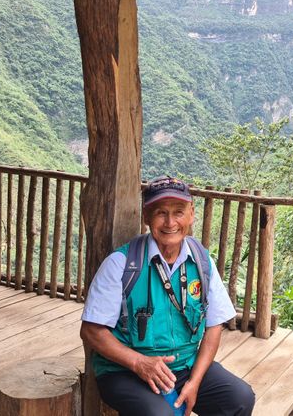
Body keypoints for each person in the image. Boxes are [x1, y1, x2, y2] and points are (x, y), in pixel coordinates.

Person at [80, 176, 255, 416]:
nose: (170, 222)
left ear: (191, 214)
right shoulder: (121, 264)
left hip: (185, 366)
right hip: (125, 372)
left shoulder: (201, 261)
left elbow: (214, 325)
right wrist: (139, 363)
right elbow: (91, 331)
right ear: (147, 216)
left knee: (240, 399)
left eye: (179, 212)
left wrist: (194, 382)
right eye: (161, 212)